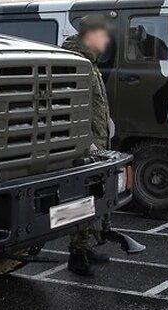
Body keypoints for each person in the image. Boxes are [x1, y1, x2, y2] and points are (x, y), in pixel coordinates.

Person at [61, 16, 144, 275]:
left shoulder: (90, 64)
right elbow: (69, 108)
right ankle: (77, 256)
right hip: (84, 148)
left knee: (95, 200)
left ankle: (86, 248)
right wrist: (86, 141)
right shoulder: (75, 63)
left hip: (97, 142)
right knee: (82, 200)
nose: (107, 40)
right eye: (103, 35)